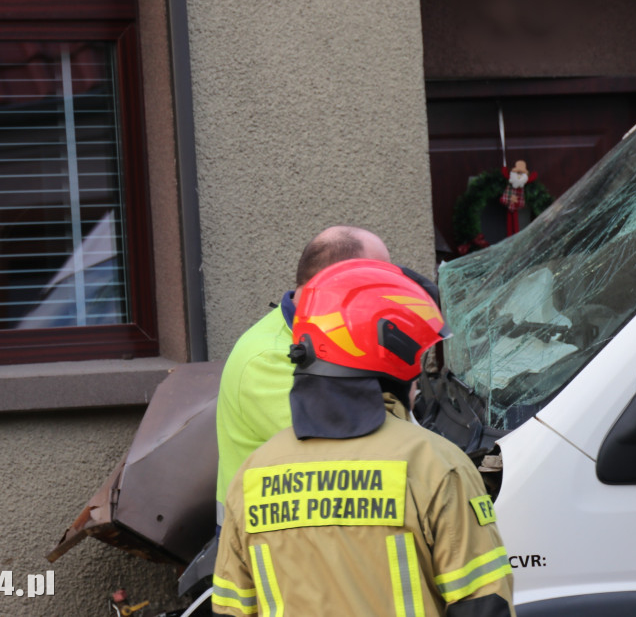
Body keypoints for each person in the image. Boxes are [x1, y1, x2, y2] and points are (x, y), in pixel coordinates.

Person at [212, 259, 515, 617]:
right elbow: (484, 605)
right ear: (394, 358)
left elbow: (230, 610)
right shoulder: (436, 466)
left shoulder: (251, 476)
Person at [214, 226, 391, 529]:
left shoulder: (332, 332)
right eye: (378, 283)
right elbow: (344, 455)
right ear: (340, 285)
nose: (388, 296)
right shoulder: (267, 358)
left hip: (303, 530)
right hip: (262, 542)